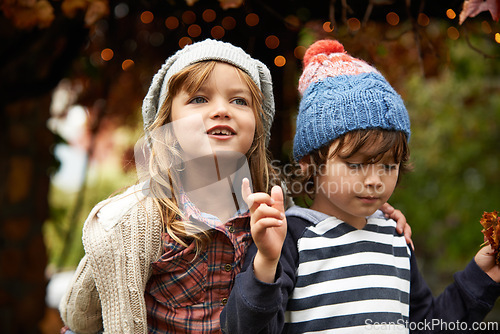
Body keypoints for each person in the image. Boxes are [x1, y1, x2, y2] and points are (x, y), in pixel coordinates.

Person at [58, 39, 410, 334]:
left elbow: (323, 217)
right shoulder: (137, 221)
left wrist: (376, 214)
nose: (222, 110)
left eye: (239, 101)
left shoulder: (270, 204)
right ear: (166, 124)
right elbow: (88, 316)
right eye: (199, 99)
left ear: (257, 127)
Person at [220, 39, 500, 333]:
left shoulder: (394, 238)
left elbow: (426, 325)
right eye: (356, 164)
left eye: (388, 166)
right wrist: (265, 263)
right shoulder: (288, 238)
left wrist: (481, 276)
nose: (375, 180)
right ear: (308, 162)